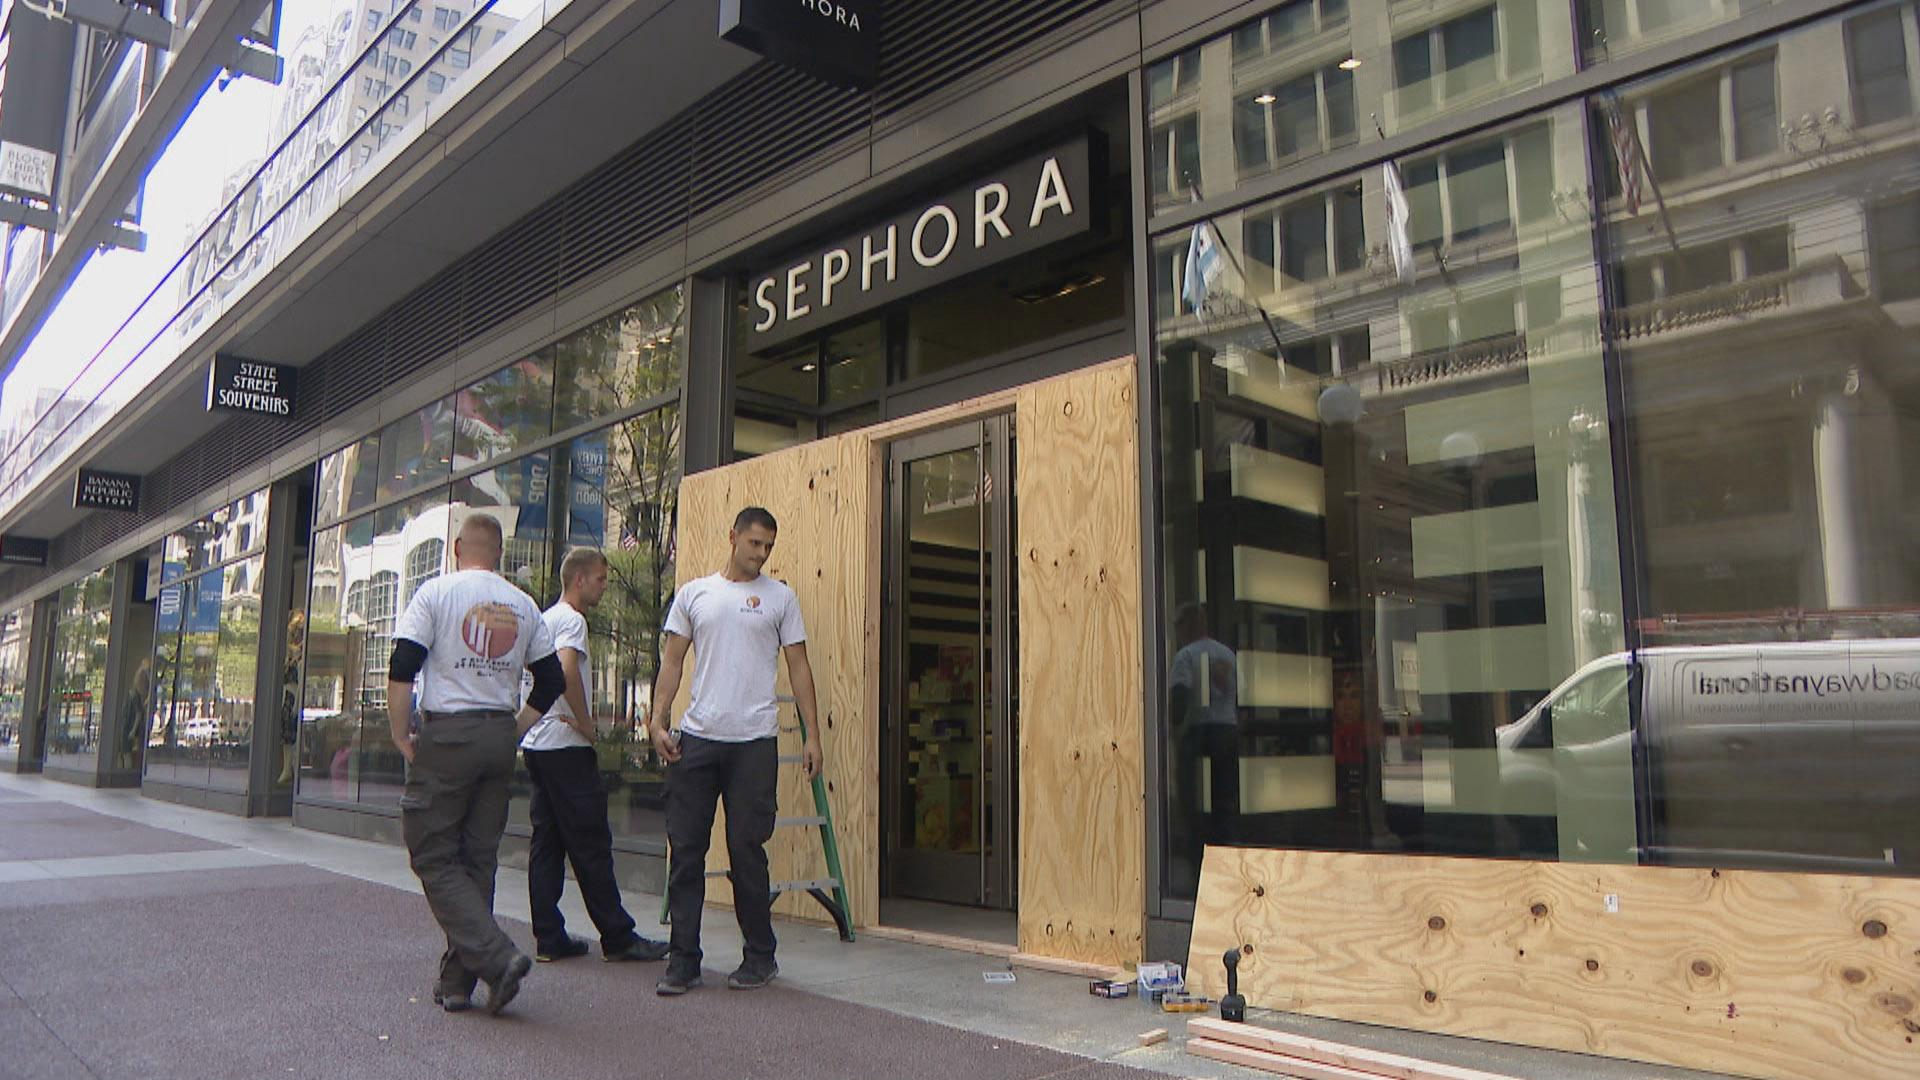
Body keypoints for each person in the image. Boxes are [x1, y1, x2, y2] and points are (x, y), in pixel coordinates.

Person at [388, 514, 565, 1016]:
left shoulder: (437, 593)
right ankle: (457, 983)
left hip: (449, 733)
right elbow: (550, 681)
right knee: (477, 858)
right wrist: (516, 728)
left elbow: (403, 664)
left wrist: (401, 733)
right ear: (501, 552)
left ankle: (497, 956)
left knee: (431, 852)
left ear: (458, 547)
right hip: (497, 735)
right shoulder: (524, 604)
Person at [650, 506, 821, 996]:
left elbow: (800, 668)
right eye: (754, 544)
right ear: (733, 538)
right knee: (686, 851)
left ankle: (760, 956)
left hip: (754, 743)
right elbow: (673, 662)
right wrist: (656, 720)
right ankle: (683, 961)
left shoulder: (780, 598)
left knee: (748, 851)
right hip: (699, 738)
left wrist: (812, 735)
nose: (762, 554)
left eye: (769, 546)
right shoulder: (695, 594)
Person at [521, 547, 670, 965]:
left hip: (538, 744)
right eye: (602, 579)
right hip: (566, 746)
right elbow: (567, 671)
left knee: (547, 843)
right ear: (580, 579)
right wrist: (586, 723)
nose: (605, 587)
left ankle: (549, 936)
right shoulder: (571, 620)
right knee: (591, 841)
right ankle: (618, 937)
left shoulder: (543, 619)